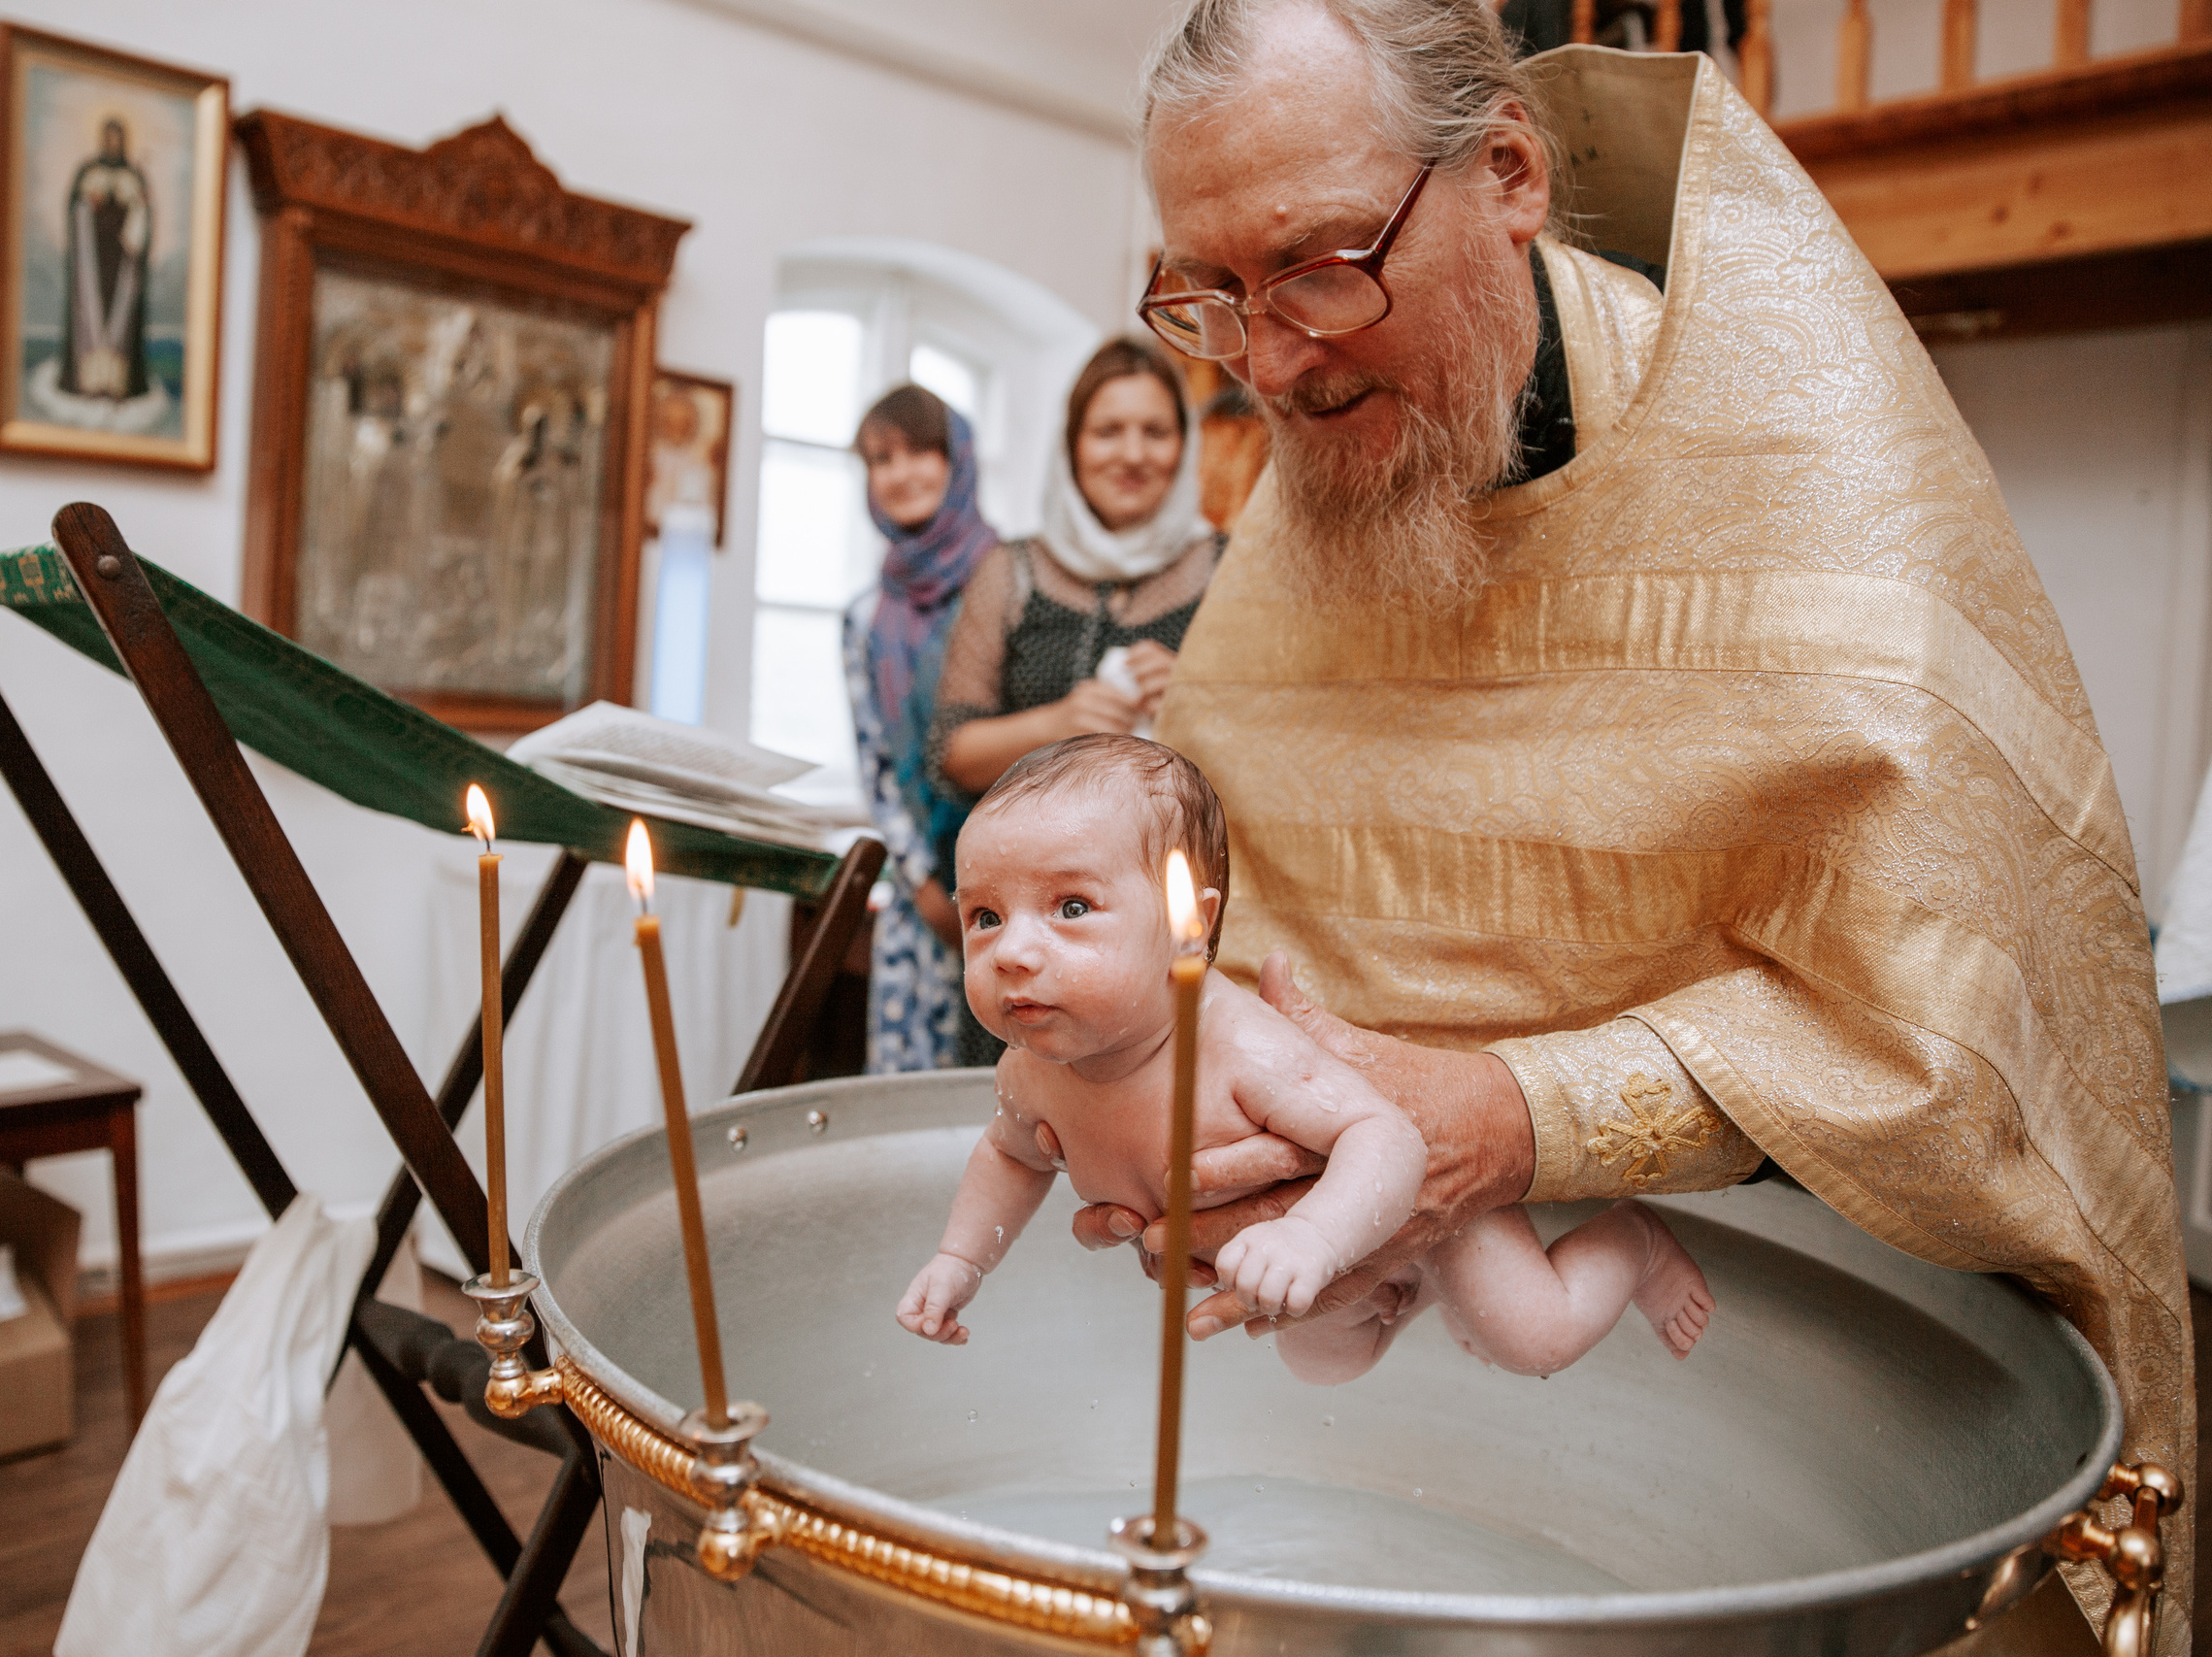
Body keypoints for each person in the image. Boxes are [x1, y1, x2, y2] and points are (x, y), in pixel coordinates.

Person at [1100, 1, 2190, 1640]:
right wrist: (1201, 1127)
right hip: (1420, 1414)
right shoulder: (1326, 455)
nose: (1266, 364)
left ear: (1511, 174)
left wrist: (1521, 1112)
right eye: (1210, 296)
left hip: (1803, 1404)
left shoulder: (1809, 483)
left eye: (1319, 266)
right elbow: (1247, 907)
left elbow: (1960, 1029)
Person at [894, 735, 1716, 1385]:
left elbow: (1388, 1137)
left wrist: (1315, 1237)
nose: (1012, 951)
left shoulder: (1237, 1045)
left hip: (1421, 1197)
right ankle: (1428, 1292)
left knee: (1536, 1338)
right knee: (1322, 1365)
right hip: (1323, 1250)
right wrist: (963, 1258)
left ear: (1187, 928)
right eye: (986, 916)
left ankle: (1634, 1242)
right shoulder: (1030, 1071)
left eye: (1071, 906)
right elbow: (1010, 1154)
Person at [930, 338, 1223, 1063]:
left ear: (1185, 447)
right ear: (1072, 446)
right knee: (1020, 1120)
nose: (1133, 453)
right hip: (1023, 933)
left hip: (1161, 936)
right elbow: (950, 754)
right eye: (1108, 430)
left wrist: (1195, 697)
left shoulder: (1226, 572)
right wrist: (1056, 724)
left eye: (1156, 431)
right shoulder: (1010, 572)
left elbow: (1272, 753)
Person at [842, 385, 999, 1074]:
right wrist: (929, 893)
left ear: (956, 458)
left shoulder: (1011, 581)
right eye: (881, 459)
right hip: (923, 911)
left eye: (919, 451)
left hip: (1020, 894)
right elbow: (876, 767)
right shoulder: (864, 618)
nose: (900, 472)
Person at [62, 117, 152, 401]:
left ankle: (119, 382)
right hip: (92, 261)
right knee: (90, 311)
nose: (113, 143)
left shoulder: (134, 175)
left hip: (122, 263)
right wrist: (90, 202)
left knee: (122, 312)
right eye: (108, 138)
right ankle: (86, 379)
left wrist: (135, 205)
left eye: (117, 138)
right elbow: (74, 208)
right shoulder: (88, 171)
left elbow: (144, 217)